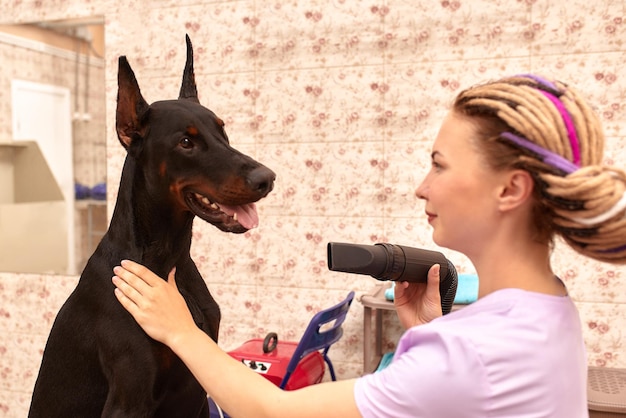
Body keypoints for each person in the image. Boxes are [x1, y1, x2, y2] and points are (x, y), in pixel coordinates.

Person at [112, 74, 626, 417]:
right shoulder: (551, 308)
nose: (422, 187)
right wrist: (434, 332)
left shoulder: (468, 353)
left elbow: (272, 411)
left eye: (439, 165)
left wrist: (180, 329)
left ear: (510, 189)